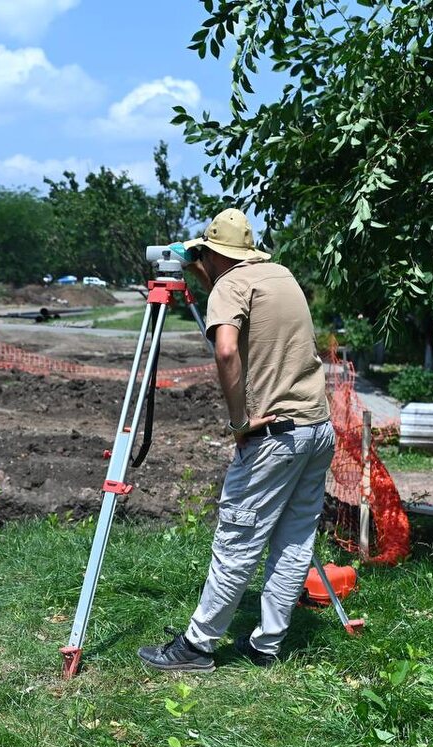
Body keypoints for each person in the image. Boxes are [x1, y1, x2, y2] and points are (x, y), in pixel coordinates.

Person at [138, 208, 335, 672]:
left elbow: (226, 349)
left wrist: (238, 420)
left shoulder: (229, 285)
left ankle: (198, 645)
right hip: (317, 429)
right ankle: (266, 644)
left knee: (238, 541)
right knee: (294, 541)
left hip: (272, 437)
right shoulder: (281, 276)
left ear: (211, 257)